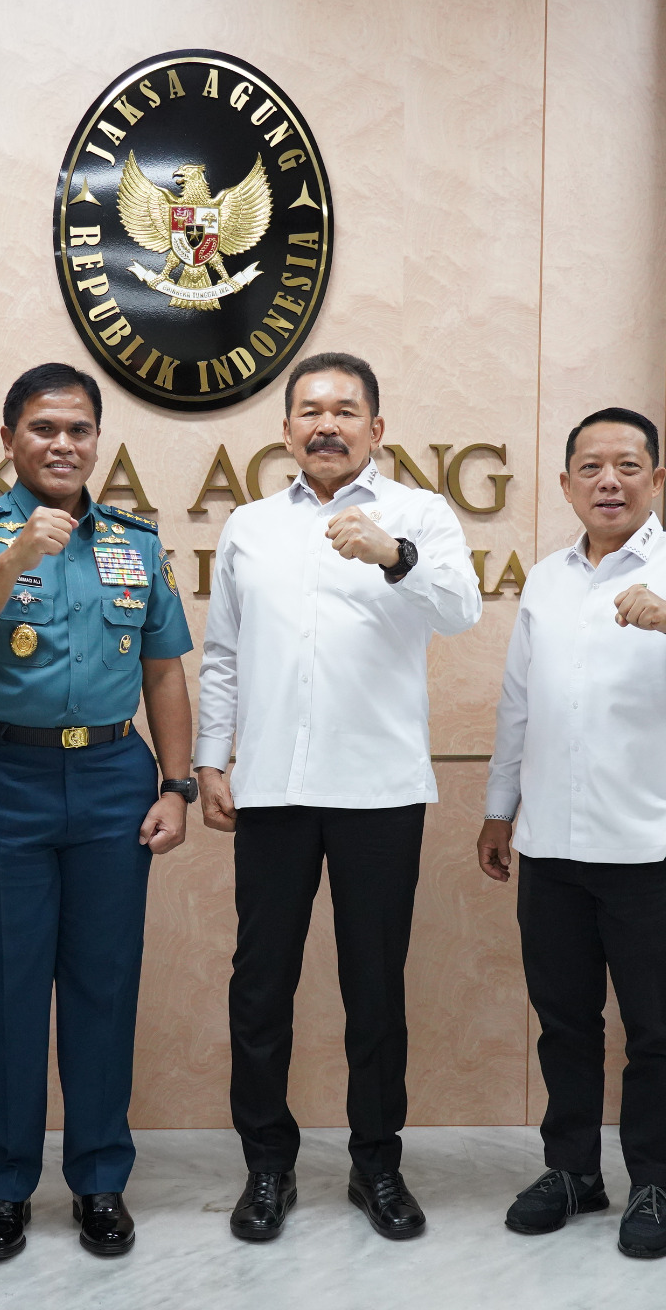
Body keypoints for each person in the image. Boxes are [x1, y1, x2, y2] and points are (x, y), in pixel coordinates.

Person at [196, 351, 483, 1243]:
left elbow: (463, 609)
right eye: (310, 410)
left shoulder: (420, 515)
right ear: (286, 430)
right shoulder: (249, 526)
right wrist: (212, 760)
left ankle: (376, 1165)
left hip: (379, 789)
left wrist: (393, 555)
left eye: (346, 410)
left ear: (377, 429)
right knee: (261, 985)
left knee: (374, 986)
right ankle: (267, 1167)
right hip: (273, 787)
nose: (327, 424)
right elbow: (224, 656)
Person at [479, 408, 666, 1258]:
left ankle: (652, 1183)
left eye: (627, 465)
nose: (609, 480)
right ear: (567, 482)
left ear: (656, 480)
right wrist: (501, 810)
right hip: (551, 845)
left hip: (648, 839)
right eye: (591, 467)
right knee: (563, 1023)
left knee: (653, 1028)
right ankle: (571, 1170)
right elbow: (519, 705)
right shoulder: (546, 579)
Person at [0, 363, 195, 1263]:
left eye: (79, 430)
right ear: (9, 441)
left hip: (116, 778)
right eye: (44, 428)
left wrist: (177, 784)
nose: (63, 445)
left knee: (102, 987)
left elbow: (163, 670)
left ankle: (99, 1181)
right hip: (3, 775)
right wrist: (19, 555)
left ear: (96, 442)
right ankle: (4, 1188)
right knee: (4, 989)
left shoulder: (132, 541)